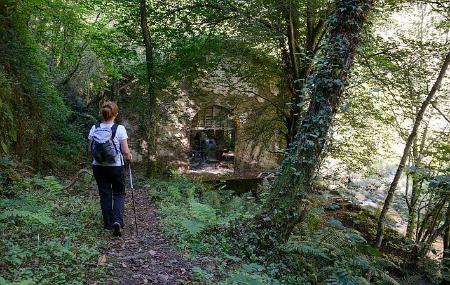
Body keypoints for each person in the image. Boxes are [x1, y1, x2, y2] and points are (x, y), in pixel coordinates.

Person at [88, 101, 132, 237]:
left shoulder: (94, 128)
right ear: (115, 114)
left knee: (105, 194)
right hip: (116, 167)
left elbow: (90, 148)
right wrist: (129, 156)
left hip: (98, 166)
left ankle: (107, 224)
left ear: (102, 114)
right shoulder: (119, 129)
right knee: (119, 193)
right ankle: (117, 221)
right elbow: (125, 151)